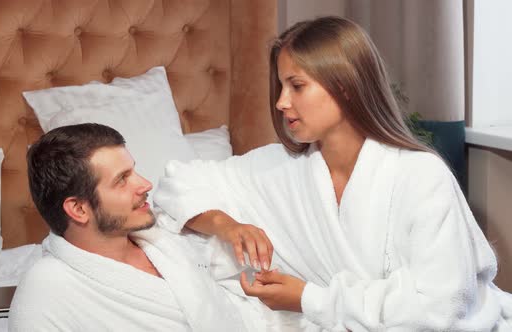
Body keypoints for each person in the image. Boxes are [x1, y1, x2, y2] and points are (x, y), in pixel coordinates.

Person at [153, 16, 512, 331]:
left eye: (297, 85)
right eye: (280, 87)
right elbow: (176, 183)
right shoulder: (280, 167)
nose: (281, 102)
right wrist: (228, 226)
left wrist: (309, 300)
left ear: (344, 85)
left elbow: (440, 308)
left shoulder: (421, 177)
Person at [8, 123, 311, 332]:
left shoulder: (160, 238)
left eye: (134, 170)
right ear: (78, 209)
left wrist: (226, 227)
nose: (144, 184)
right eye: (122, 179)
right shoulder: (46, 291)